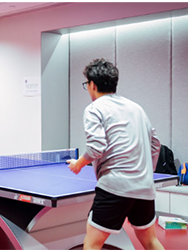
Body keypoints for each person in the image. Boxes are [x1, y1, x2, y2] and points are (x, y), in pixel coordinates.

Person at [67, 59, 164, 250]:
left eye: (87, 84)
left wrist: (78, 164)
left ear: (92, 84)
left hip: (114, 186)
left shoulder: (94, 108)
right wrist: (145, 172)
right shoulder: (137, 108)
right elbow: (155, 145)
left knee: (92, 243)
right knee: (150, 240)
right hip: (144, 187)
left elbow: (96, 147)